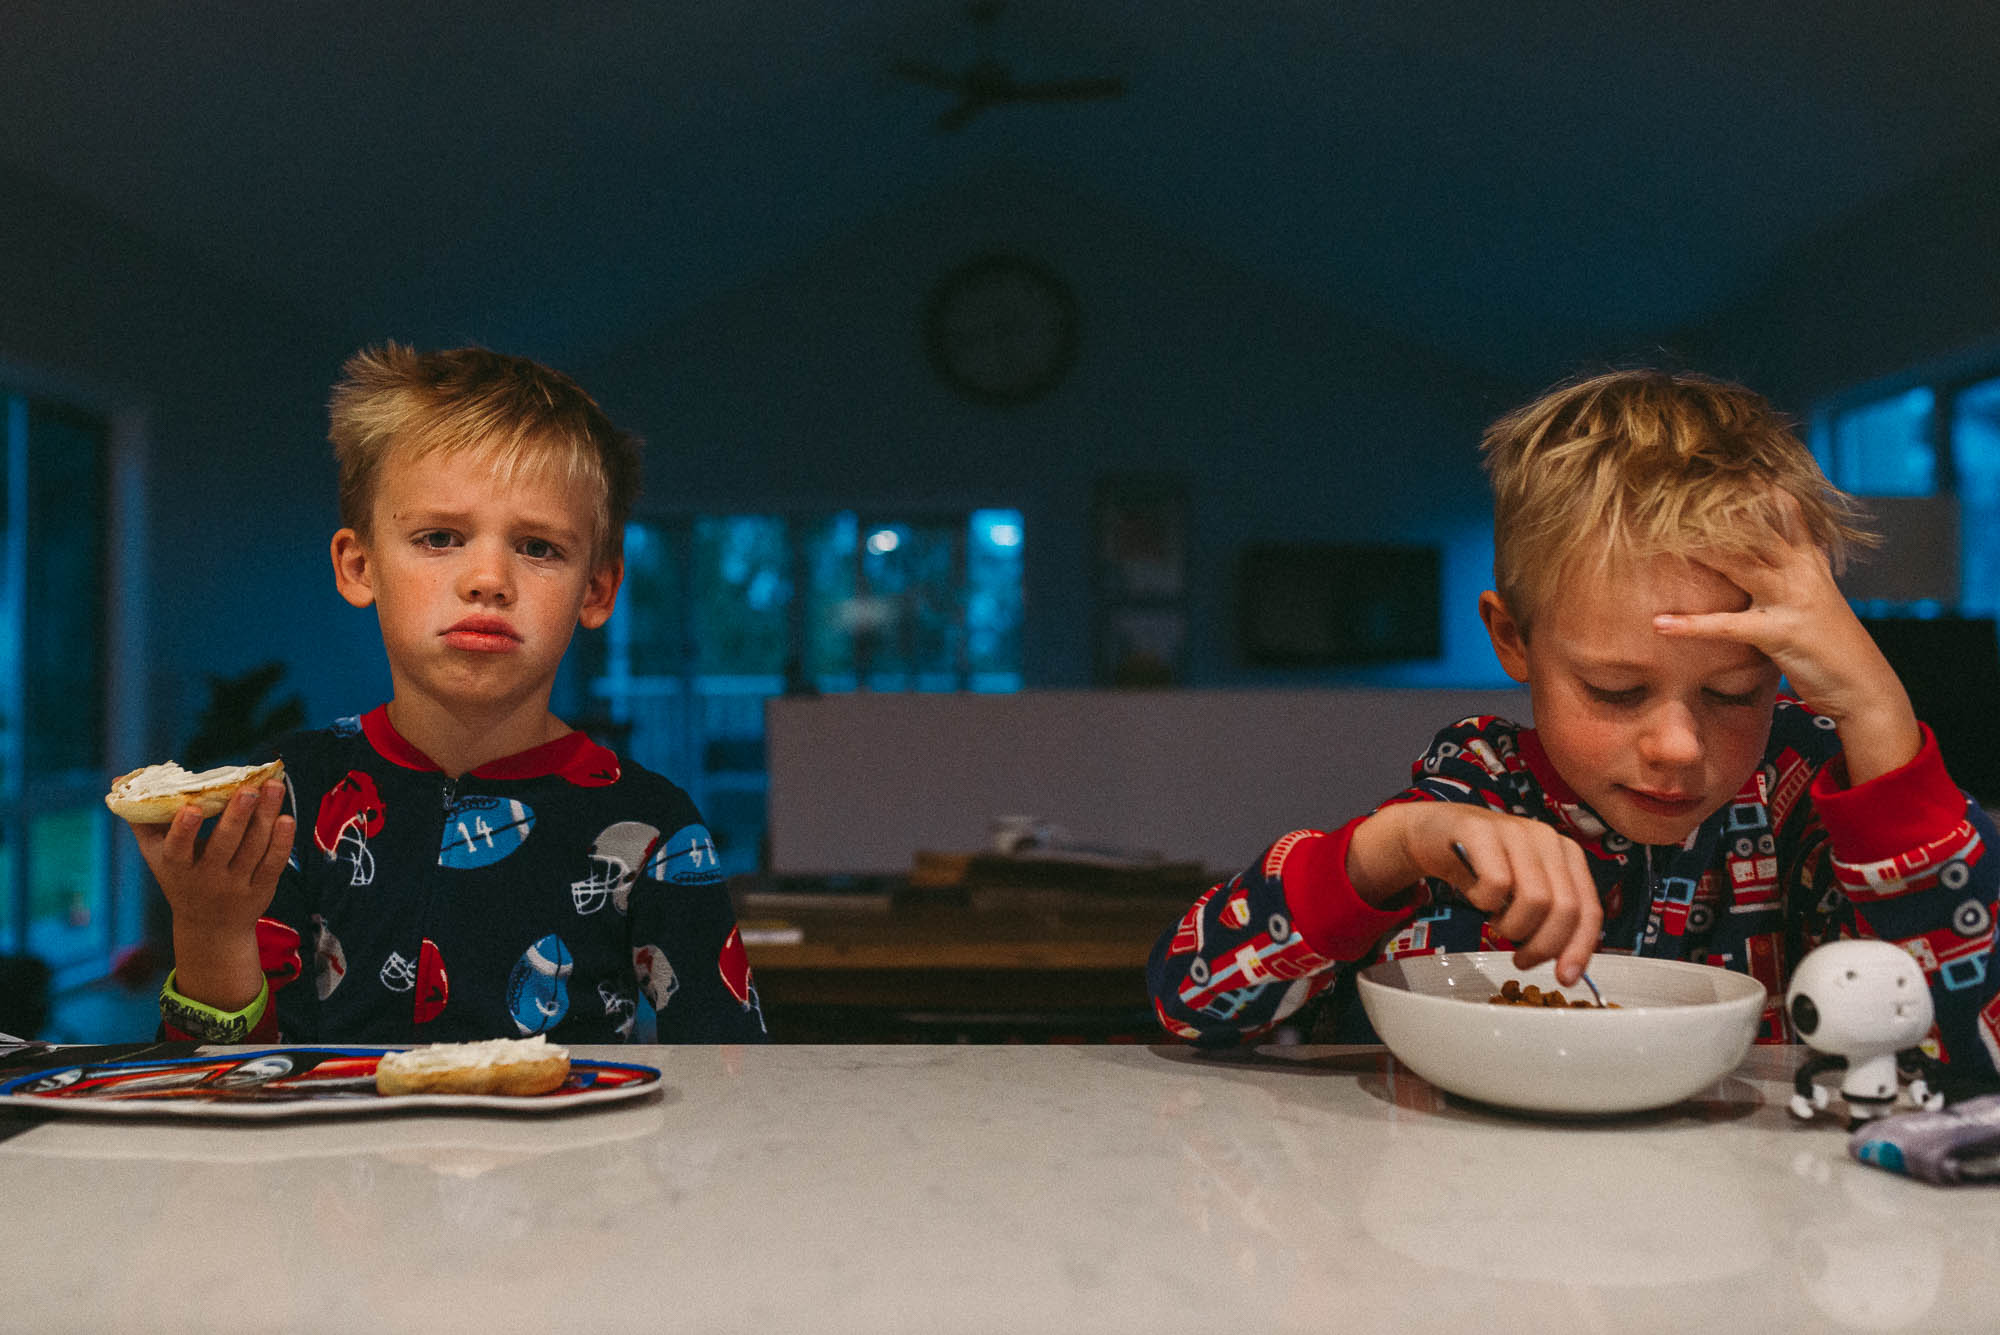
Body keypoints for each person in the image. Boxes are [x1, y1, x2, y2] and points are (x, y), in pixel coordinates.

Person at [1147, 369, 2000, 1080]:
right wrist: (1396, 844)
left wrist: (1880, 714)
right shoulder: (1473, 790)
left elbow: (1976, 1053)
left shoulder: (1807, 791)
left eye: (1736, 693)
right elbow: (1188, 1003)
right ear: (1513, 639)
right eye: (1616, 690)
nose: (1678, 746)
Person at [130, 344, 766, 1045]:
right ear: (359, 564)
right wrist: (209, 931)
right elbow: (225, 1088)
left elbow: (732, 1086)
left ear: (597, 589)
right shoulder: (291, 796)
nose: (488, 578)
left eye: (538, 547)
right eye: (440, 537)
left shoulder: (652, 827)